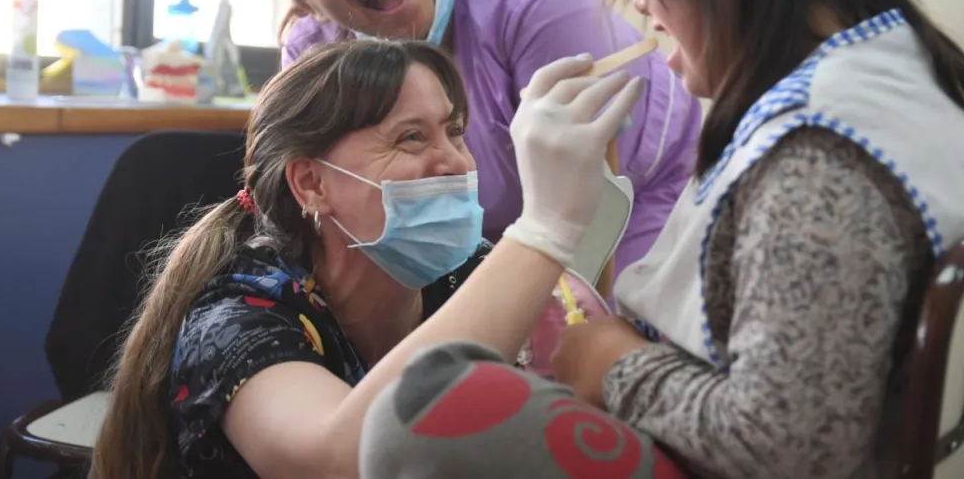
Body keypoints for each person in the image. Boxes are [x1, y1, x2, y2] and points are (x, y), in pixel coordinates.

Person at [356, 0, 964, 478]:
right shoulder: (907, 68)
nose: (640, 1)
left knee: (412, 410)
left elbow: (789, 446)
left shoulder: (820, 154)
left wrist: (610, 360)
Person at [89, 38, 654, 479]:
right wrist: (546, 228)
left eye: (454, 132)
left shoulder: (467, 276)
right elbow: (339, 461)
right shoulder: (239, 321)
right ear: (311, 184)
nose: (455, 162)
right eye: (412, 138)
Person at [249, 0, 702, 288]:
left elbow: (589, 212)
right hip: (496, 234)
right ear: (305, 1)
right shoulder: (316, 57)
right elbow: (326, 217)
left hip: (639, 188)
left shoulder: (538, 1)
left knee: (591, 341)